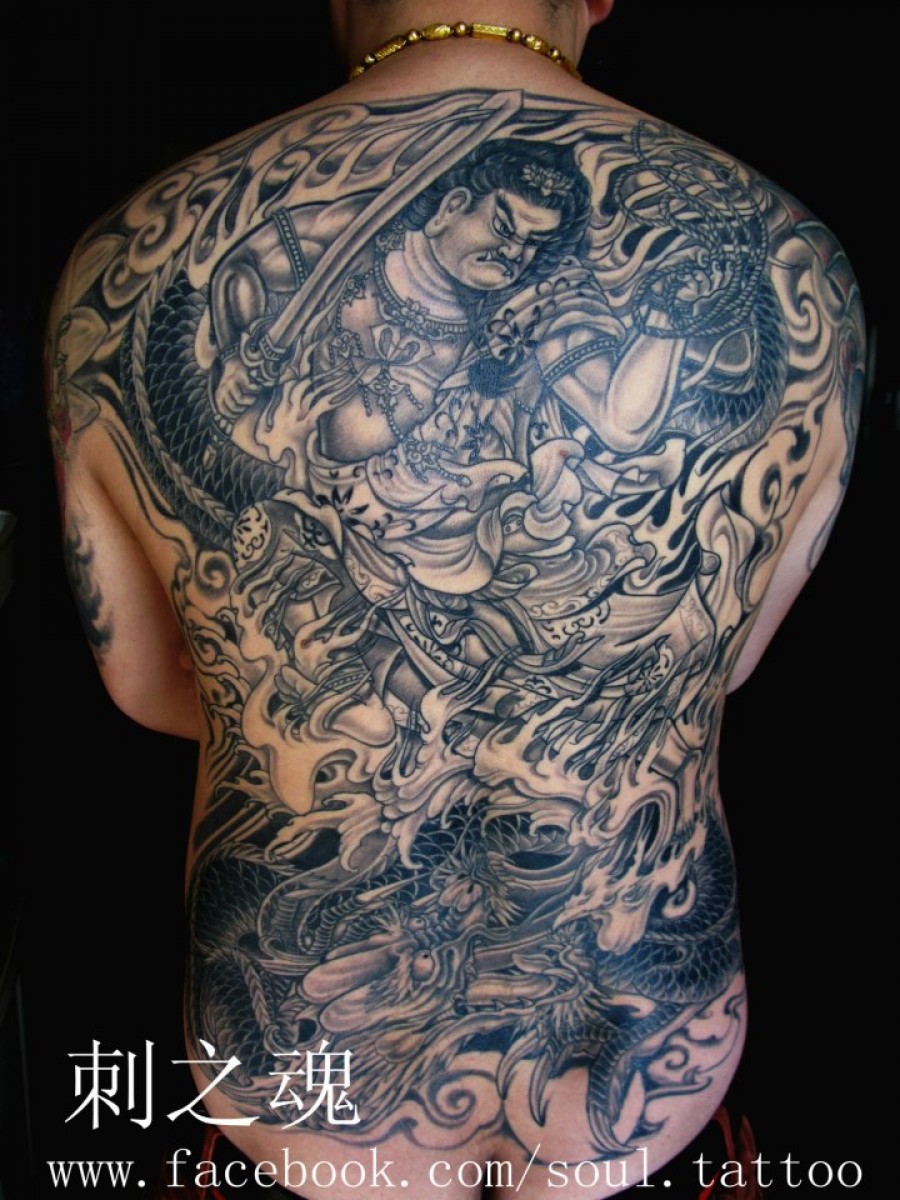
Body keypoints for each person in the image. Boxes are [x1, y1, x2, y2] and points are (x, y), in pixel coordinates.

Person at [45, 3, 864, 1197]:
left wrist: (308, 697)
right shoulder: (798, 264)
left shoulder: (127, 259)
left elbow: (148, 683)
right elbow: (717, 664)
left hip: (303, 1106)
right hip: (647, 1083)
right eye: (502, 228)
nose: (512, 255)